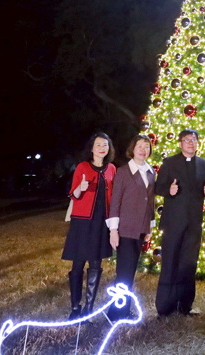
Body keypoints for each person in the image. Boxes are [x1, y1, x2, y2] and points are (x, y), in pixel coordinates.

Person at [155, 129, 205, 316]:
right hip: (173, 222)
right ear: (180, 143)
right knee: (170, 262)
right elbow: (158, 186)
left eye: (193, 140)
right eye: (187, 140)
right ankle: (165, 306)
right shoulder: (169, 163)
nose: (191, 143)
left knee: (189, 264)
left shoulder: (203, 164)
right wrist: (168, 190)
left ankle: (185, 305)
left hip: (194, 223)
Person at [62, 132, 117, 318]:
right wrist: (81, 188)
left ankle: (88, 309)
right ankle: (75, 308)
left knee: (95, 263)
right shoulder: (82, 167)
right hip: (83, 222)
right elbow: (73, 194)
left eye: (105, 145)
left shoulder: (111, 169)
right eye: (98, 145)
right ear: (92, 148)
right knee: (78, 263)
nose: (102, 148)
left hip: (101, 222)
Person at [106, 134, 155, 319]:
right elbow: (115, 201)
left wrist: (149, 227)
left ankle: (123, 310)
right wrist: (113, 230)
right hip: (125, 229)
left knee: (131, 271)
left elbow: (150, 201)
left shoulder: (150, 172)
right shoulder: (123, 172)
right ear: (132, 149)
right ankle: (115, 313)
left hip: (140, 229)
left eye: (146, 146)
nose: (143, 150)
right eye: (139, 146)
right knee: (124, 273)